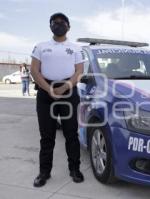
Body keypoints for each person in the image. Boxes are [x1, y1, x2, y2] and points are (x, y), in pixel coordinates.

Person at [30, 12, 84, 187]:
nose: (58, 24)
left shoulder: (76, 48)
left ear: (68, 26)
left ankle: (75, 169)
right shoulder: (40, 46)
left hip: (69, 93)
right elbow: (34, 71)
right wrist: (49, 89)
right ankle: (44, 172)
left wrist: (63, 88)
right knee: (47, 137)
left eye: (62, 22)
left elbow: (79, 72)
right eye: (55, 22)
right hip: (46, 94)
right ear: (50, 26)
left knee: (71, 134)